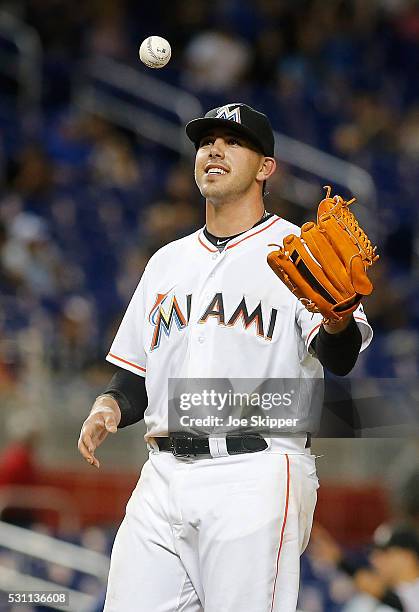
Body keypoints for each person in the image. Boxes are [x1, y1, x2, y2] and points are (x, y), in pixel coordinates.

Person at [78, 103, 373, 612]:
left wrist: (339, 320)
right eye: (205, 141)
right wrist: (108, 405)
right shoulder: (166, 261)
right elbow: (132, 376)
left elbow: (339, 357)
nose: (213, 149)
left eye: (233, 141)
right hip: (162, 476)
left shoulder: (298, 248)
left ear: (265, 167)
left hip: (256, 470)